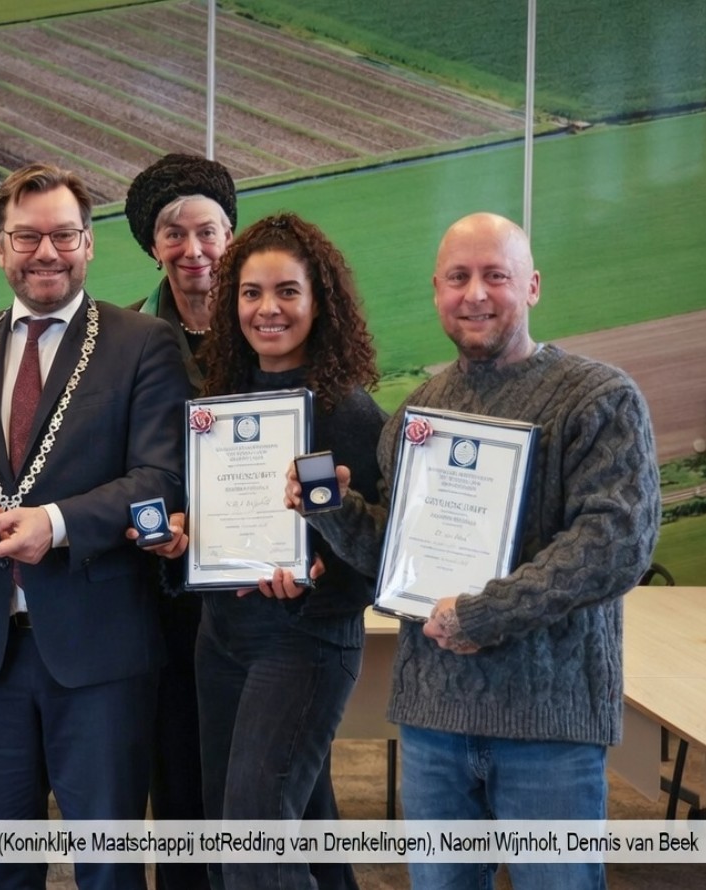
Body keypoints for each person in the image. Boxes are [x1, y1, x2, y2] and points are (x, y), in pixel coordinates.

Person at [288, 212, 661, 890]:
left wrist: (483, 614)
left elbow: (613, 544)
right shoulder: (415, 415)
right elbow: (396, 558)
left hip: (547, 726)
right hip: (433, 723)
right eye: (457, 278)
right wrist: (336, 513)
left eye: (495, 275)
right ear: (436, 290)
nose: (475, 294)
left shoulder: (598, 397)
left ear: (533, 286)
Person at [0, 162, 186, 890]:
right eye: (26, 236)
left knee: (108, 865)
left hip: (100, 654)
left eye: (63, 234)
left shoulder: (142, 343)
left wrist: (56, 524)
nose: (45, 252)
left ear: (88, 245)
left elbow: (158, 478)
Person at [184, 213, 385, 890]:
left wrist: (320, 579)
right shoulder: (219, 403)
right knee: (280, 831)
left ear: (319, 302)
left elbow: (377, 555)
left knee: (253, 845)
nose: (266, 309)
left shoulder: (349, 414)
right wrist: (188, 537)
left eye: (287, 292)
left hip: (302, 644)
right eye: (248, 292)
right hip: (222, 639)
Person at [122, 152, 236, 890]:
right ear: (152, 245)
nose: (192, 251)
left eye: (208, 231)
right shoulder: (126, 343)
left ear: (231, 234)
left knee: (261, 792)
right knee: (181, 791)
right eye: (173, 233)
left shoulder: (271, 326)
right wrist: (148, 524)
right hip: (161, 605)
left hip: (260, 597)